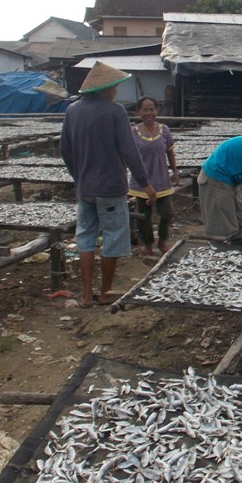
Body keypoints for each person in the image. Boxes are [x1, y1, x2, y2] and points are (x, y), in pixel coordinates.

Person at [61, 62, 157, 308]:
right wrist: (145, 183)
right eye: (114, 87)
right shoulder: (115, 112)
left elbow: (65, 150)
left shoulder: (72, 110)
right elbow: (129, 150)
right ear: (104, 89)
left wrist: (78, 177)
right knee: (113, 237)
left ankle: (85, 295)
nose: (116, 91)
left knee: (85, 239)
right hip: (111, 188)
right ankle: (103, 293)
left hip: (85, 189)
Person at [128, 96, 179, 256]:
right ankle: (147, 244)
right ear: (138, 112)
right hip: (141, 182)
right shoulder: (132, 132)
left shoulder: (165, 130)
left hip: (162, 179)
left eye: (152, 109)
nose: (149, 113)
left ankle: (162, 241)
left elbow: (170, 151)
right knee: (144, 216)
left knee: (167, 213)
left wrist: (175, 171)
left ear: (156, 111)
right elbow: (127, 155)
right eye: (145, 109)